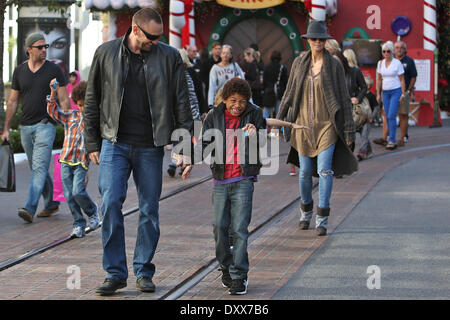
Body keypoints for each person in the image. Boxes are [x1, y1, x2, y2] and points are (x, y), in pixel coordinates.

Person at [84, 8, 193, 296]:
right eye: (150, 37)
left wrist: (183, 148)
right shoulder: (106, 53)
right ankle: (115, 273)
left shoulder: (169, 57)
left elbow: (181, 103)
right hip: (113, 142)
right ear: (134, 30)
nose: (155, 42)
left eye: (159, 37)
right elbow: (92, 98)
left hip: (150, 145)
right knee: (109, 204)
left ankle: (143, 270)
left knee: (149, 209)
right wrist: (91, 141)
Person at [183, 78, 304, 295]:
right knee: (219, 229)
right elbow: (203, 144)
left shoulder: (253, 113)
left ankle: (239, 275)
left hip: (243, 181)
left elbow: (266, 125)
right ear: (225, 99)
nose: (237, 105)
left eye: (242, 101)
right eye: (233, 100)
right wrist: (190, 161)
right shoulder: (214, 116)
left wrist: (277, 128)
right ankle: (226, 266)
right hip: (220, 181)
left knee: (239, 230)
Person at [276, 21, 358, 236]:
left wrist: (348, 131)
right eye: (314, 39)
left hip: (327, 126)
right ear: (308, 41)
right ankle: (305, 212)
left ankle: (322, 218)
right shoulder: (299, 63)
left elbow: (343, 98)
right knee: (303, 172)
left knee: (324, 170)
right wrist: (280, 119)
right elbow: (289, 93)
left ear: (325, 40)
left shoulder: (335, 66)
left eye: (321, 39)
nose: (318, 42)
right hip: (302, 124)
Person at [2, 32, 70, 223]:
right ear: (29, 49)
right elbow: (13, 101)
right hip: (25, 127)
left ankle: (29, 208)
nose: (44, 50)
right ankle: (51, 204)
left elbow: (64, 99)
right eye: (40, 47)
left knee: (39, 167)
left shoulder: (54, 70)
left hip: (46, 125)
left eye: (45, 47)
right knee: (36, 168)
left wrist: (69, 126)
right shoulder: (20, 71)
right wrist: (7, 128)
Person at [47, 79, 101, 238]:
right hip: (65, 160)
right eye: (80, 105)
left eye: (85, 104)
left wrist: (89, 169)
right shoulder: (71, 116)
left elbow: (95, 144)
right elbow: (53, 112)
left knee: (78, 191)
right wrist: (53, 92)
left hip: (81, 162)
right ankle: (78, 223)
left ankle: (92, 210)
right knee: (69, 195)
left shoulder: (94, 121)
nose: (82, 108)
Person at [167, 48, 202, 178]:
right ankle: (180, 164)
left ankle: (175, 163)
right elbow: (192, 98)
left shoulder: (174, 76)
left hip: (179, 115)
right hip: (184, 116)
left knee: (179, 141)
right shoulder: (185, 76)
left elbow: (190, 97)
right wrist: (196, 115)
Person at [332, 50, 367, 152]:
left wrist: (357, 98)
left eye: (338, 61)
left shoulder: (354, 71)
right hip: (335, 108)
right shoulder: (330, 74)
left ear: (343, 61)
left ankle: (349, 156)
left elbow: (364, 87)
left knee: (349, 136)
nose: (336, 64)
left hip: (350, 108)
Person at [373, 41, 406, 150]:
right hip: (385, 92)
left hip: (396, 91)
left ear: (392, 52)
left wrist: (403, 93)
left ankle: (392, 140)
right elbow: (378, 79)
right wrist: (378, 93)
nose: (386, 53)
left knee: (391, 115)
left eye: (388, 51)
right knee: (387, 116)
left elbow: (402, 79)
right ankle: (388, 138)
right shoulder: (380, 63)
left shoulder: (397, 63)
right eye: (384, 51)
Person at [394, 41, 417, 145]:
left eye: (401, 48)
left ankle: (403, 137)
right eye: (397, 48)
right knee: (390, 114)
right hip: (391, 91)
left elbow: (413, 76)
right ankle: (390, 137)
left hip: (404, 92)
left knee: (403, 114)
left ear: (405, 50)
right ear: (394, 50)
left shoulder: (409, 61)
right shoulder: (391, 61)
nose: (399, 49)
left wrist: (408, 89)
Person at [357, 76, 379, 160]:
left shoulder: (371, 96)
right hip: (361, 118)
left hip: (368, 119)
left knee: (364, 135)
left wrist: (372, 117)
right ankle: (369, 151)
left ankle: (362, 152)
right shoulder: (359, 94)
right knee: (363, 136)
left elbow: (376, 108)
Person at [262, 50, 288, 120]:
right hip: (279, 93)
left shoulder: (267, 67)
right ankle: (277, 130)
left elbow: (264, 82)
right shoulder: (283, 68)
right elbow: (285, 82)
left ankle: (263, 130)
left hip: (269, 93)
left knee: (266, 113)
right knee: (278, 114)